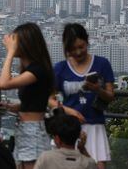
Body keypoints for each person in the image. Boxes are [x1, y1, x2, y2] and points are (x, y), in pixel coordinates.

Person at [50, 23, 114, 169]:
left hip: (94, 125)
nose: (78, 52)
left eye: (81, 47)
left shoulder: (101, 64)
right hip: (68, 128)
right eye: (73, 49)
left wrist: (98, 89)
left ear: (87, 42)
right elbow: (49, 99)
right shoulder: (60, 69)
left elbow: (110, 96)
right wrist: (68, 111)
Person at [0, 22, 53, 169]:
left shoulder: (37, 70)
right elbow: (34, 102)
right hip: (26, 128)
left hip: (33, 130)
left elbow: (3, 83)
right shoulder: (31, 70)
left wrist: (9, 53)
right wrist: (11, 107)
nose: (13, 45)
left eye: (16, 41)